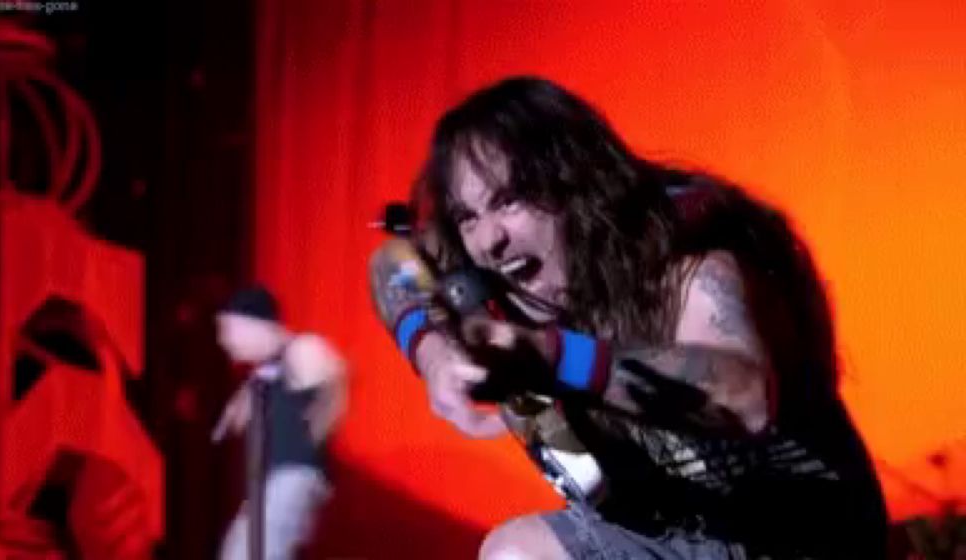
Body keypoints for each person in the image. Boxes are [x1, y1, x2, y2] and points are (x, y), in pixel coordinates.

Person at [368, 76, 889, 558]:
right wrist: (433, 354)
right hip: (672, 537)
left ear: (575, 185)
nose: (489, 238)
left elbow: (745, 400)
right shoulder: (481, 261)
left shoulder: (690, 263)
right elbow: (392, 262)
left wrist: (553, 357)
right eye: (469, 216)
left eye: (509, 201)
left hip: (802, 540)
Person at [212, 286, 346, 560]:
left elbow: (337, 380)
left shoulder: (302, 349)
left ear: (254, 325)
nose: (223, 341)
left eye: (228, 329)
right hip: (271, 483)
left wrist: (320, 429)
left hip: (292, 477)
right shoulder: (263, 371)